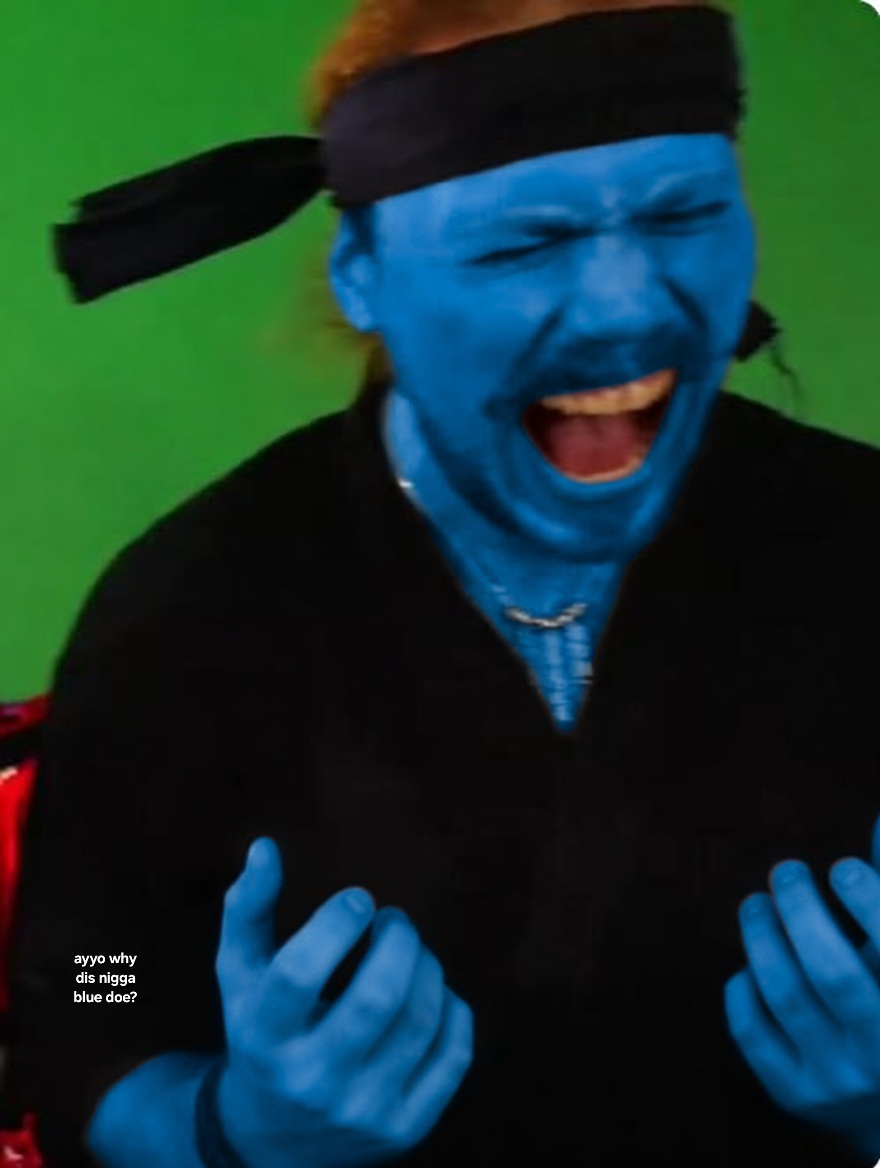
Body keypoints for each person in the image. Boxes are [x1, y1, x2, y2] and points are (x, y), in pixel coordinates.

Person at [8, 0, 880, 1165]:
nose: (629, 303)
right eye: (522, 241)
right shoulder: (184, 616)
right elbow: (88, 989)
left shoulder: (859, 543)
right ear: (363, 275)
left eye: (683, 214)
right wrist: (235, 1127)